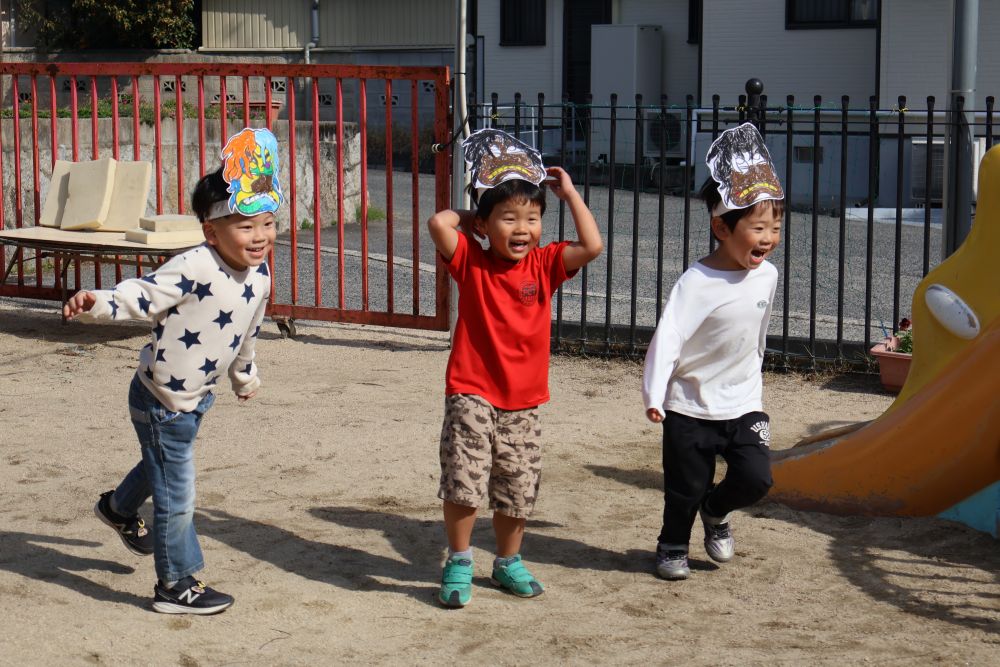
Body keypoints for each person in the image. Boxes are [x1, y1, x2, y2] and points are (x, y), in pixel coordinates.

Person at [63, 127, 282, 614]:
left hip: (195, 398)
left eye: (267, 224)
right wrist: (96, 301)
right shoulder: (194, 265)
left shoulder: (261, 276)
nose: (260, 237)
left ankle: (117, 509)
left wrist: (244, 375)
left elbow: (248, 331)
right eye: (246, 227)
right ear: (212, 231)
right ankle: (176, 585)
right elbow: (141, 294)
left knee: (161, 465)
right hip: (160, 400)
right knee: (177, 495)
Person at [427, 128, 603, 607]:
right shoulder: (472, 261)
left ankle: (507, 561)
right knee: (464, 480)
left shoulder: (544, 265)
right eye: (508, 218)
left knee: (517, 484)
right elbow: (439, 223)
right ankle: (460, 560)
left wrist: (568, 194)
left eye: (531, 217)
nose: (522, 228)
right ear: (486, 225)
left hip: (524, 399)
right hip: (472, 390)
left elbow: (592, 245)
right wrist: (476, 219)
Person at [642, 122, 784, 581]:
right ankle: (671, 546)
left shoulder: (768, 275)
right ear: (722, 227)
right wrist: (654, 392)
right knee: (685, 486)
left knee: (757, 478)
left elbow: (757, 331)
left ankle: (717, 511)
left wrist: (754, 374)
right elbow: (670, 336)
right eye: (758, 227)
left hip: (743, 400)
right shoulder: (697, 282)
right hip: (689, 401)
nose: (767, 238)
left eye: (775, 227)